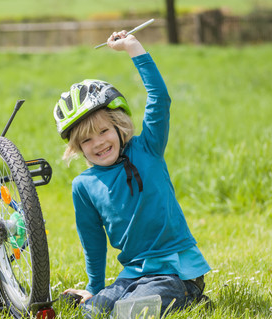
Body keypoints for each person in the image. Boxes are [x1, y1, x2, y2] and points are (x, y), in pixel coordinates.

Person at [53, 31, 211, 318]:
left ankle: (192, 297)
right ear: (77, 147)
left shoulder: (147, 148)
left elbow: (160, 98)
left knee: (133, 310)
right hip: (131, 277)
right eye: (87, 140)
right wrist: (94, 288)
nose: (98, 143)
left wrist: (133, 48)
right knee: (93, 311)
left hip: (175, 273)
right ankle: (100, 302)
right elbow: (93, 240)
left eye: (103, 131)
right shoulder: (84, 186)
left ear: (118, 125)